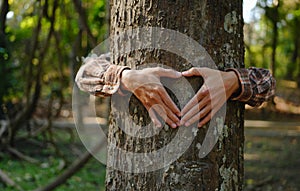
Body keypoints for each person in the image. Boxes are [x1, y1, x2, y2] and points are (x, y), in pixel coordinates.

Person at [75, 53, 275, 128]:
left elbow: (268, 83)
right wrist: (126, 76)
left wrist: (234, 80)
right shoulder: (126, 50)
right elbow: (84, 74)